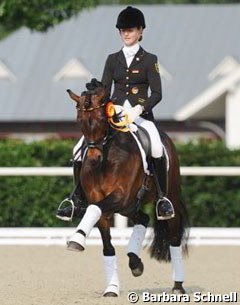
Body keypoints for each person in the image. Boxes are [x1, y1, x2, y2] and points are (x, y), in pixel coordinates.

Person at [56, 6, 174, 221]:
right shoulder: (112, 59)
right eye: (122, 30)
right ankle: (77, 198)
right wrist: (95, 89)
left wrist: (139, 109)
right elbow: (105, 90)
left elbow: (157, 93)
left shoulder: (150, 59)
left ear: (140, 31)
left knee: (157, 146)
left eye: (130, 30)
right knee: (77, 149)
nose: (126, 34)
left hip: (139, 115)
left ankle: (162, 199)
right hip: (114, 114)